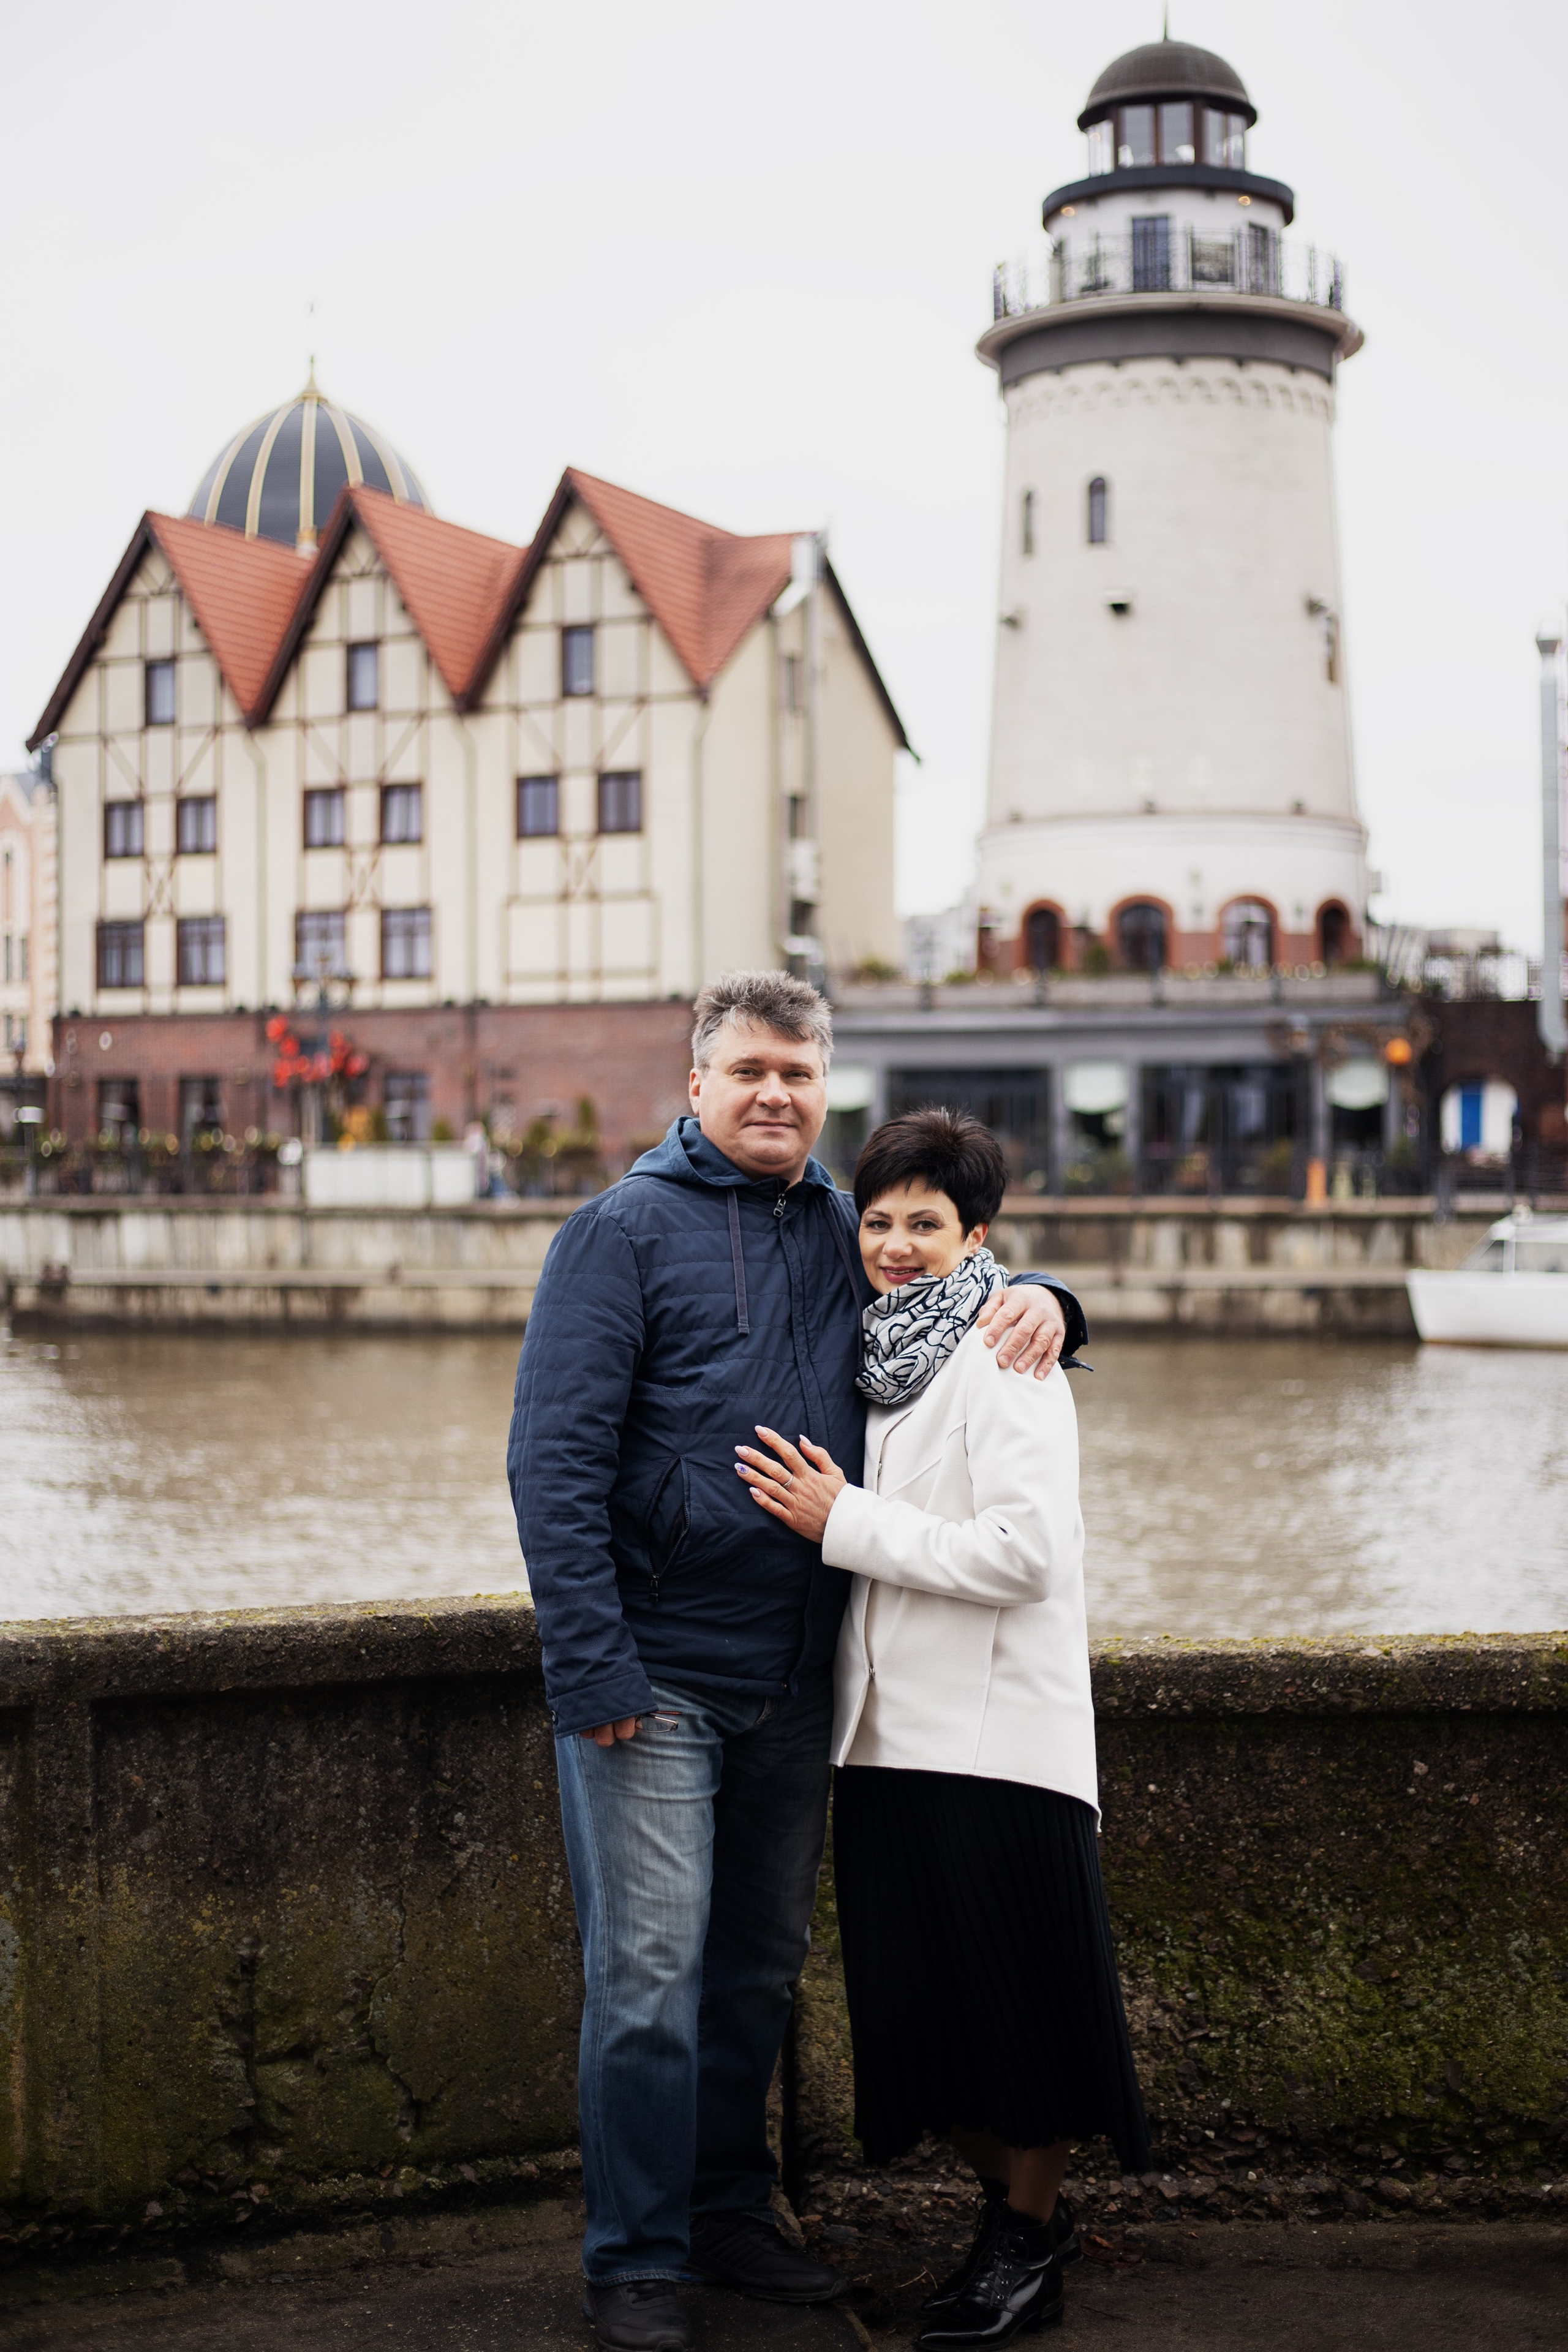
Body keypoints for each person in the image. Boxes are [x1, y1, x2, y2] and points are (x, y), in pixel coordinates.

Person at [507, 972, 1087, 2352]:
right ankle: (636, 2257)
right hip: (656, 1675)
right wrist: (591, 1669)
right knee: (648, 1983)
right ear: (696, 1084)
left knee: (755, 1976)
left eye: (798, 1074)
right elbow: (551, 1464)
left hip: (797, 1678)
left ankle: (726, 2210)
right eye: (748, 1071)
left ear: (825, 1090)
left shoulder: (844, 1227)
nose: (774, 1094)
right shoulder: (617, 1232)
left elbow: (955, 1281)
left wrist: (1052, 1297)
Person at [736, 1106, 1150, 2351]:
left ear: (978, 1236)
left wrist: (844, 1522)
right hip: (881, 1745)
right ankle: (1025, 2223)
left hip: (993, 1748)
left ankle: (1025, 2241)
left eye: (927, 1223)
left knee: (1019, 2020)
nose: (896, 1245)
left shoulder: (1004, 1357)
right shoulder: (875, 1359)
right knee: (923, 2028)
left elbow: (1026, 1556)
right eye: (877, 1222)